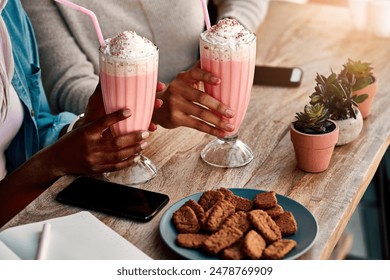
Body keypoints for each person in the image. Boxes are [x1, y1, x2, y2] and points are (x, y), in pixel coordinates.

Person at [0, 0, 239, 226]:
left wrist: (227, 38)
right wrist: (147, 104)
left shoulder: (8, 9)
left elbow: (35, 121)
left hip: (169, 140)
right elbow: (67, 84)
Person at [21, 0, 269, 136]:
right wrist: (152, 103)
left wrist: (228, 38)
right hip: (135, 133)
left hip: (216, 94)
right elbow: (68, 86)